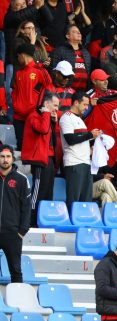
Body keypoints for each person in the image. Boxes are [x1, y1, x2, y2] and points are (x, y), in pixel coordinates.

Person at [22, 91, 58, 227]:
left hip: (48, 159)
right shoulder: (34, 116)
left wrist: (53, 121)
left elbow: (51, 139)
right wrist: (47, 114)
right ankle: (30, 223)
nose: (56, 109)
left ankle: (43, 222)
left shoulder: (45, 117)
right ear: (46, 104)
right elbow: (42, 130)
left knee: (48, 193)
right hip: (38, 159)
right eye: (54, 105)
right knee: (37, 193)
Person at [60, 92, 100, 208]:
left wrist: (90, 149)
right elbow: (70, 139)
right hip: (74, 163)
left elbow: (80, 140)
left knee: (86, 201)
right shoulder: (66, 117)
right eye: (85, 104)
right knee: (74, 200)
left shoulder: (80, 119)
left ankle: (84, 224)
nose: (87, 107)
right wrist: (90, 135)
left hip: (86, 162)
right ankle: (71, 224)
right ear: (76, 103)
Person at [0, 146, 31, 283]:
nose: (5, 160)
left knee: (16, 271)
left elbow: (27, 207)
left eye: (8, 157)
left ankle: (17, 302)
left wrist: (22, 231)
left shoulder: (22, 179)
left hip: (12, 233)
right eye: (2, 156)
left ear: (13, 159)